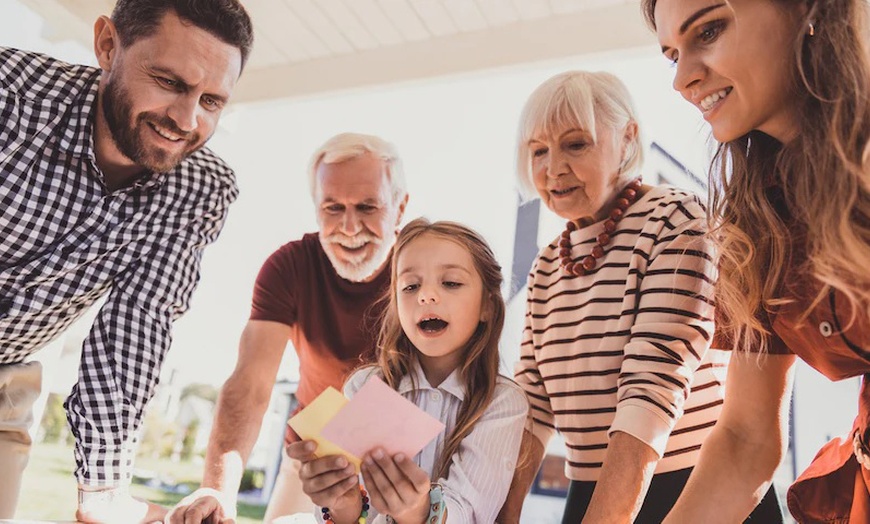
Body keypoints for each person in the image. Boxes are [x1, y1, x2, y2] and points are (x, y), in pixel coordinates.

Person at [0, 0, 252, 521]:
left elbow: (134, 331)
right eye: (168, 81)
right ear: (108, 46)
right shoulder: (10, 98)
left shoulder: (200, 189)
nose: (186, 120)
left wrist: (102, 492)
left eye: (212, 100)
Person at [496, 70, 783, 523]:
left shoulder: (673, 219)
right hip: (592, 485)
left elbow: (650, 392)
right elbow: (533, 400)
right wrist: (503, 511)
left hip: (694, 484)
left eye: (575, 144)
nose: (552, 168)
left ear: (627, 138)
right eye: (538, 151)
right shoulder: (549, 263)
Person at [642, 0, 870, 521]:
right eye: (672, 54)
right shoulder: (757, 218)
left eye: (710, 30)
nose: (681, 80)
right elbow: (746, 438)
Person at [166, 133, 409, 523]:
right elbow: (251, 384)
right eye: (332, 208)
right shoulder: (290, 267)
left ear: (400, 208)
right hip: (315, 462)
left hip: (399, 463)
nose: (349, 227)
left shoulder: (423, 267)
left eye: (367, 207)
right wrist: (218, 490)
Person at [288, 218, 528, 523]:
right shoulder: (364, 386)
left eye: (451, 283)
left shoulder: (502, 402)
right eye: (410, 286)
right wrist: (341, 504)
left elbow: (469, 514)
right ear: (396, 305)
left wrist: (416, 511)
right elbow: (355, 515)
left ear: (488, 307)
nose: (426, 296)